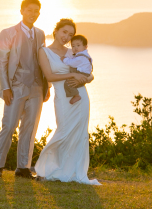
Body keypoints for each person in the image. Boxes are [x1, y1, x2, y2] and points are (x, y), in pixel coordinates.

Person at [34, 19, 100, 185]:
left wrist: (86, 79)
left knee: (79, 134)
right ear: (56, 31)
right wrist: (72, 75)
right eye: (64, 32)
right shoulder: (44, 52)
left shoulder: (74, 51)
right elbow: (49, 76)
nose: (66, 37)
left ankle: (73, 171)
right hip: (63, 99)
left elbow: (89, 71)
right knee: (63, 131)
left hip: (81, 97)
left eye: (70, 34)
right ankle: (49, 168)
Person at [0, 0, 51, 179]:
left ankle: (23, 168)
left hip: (36, 88)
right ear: (22, 11)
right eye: (30, 10)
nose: (33, 14)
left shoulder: (40, 34)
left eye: (37, 11)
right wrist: (6, 88)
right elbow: (2, 63)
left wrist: (46, 86)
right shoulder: (7, 33)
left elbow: (43, 61)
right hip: (15, 87)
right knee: (8, 126)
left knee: (30, 128)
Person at [61, 34, 93, 105]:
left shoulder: (80, 57)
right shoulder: (84, 55)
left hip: (82, 74)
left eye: (78, 45)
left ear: (85, 47)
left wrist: (64, 59)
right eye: (73, 46)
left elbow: (72, 63)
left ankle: (76, 95)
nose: (75, 48)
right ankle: (76, 95)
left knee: (68, 83)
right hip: (85, 73)